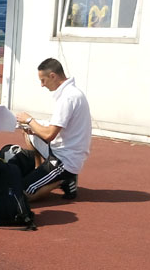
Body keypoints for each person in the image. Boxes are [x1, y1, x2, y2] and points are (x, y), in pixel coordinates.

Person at [13, 58, 92, 201]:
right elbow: (55, 127)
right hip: (62, 149)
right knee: (30, 134)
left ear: (53, 76)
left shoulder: (68, 98)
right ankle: (40, 172)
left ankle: (63, 180)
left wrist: (30, 120)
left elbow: (49, 135)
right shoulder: (71, 92)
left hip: (66, 160)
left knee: (23, 193)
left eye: (43, 80)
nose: (42, 85)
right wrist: (31, 126)